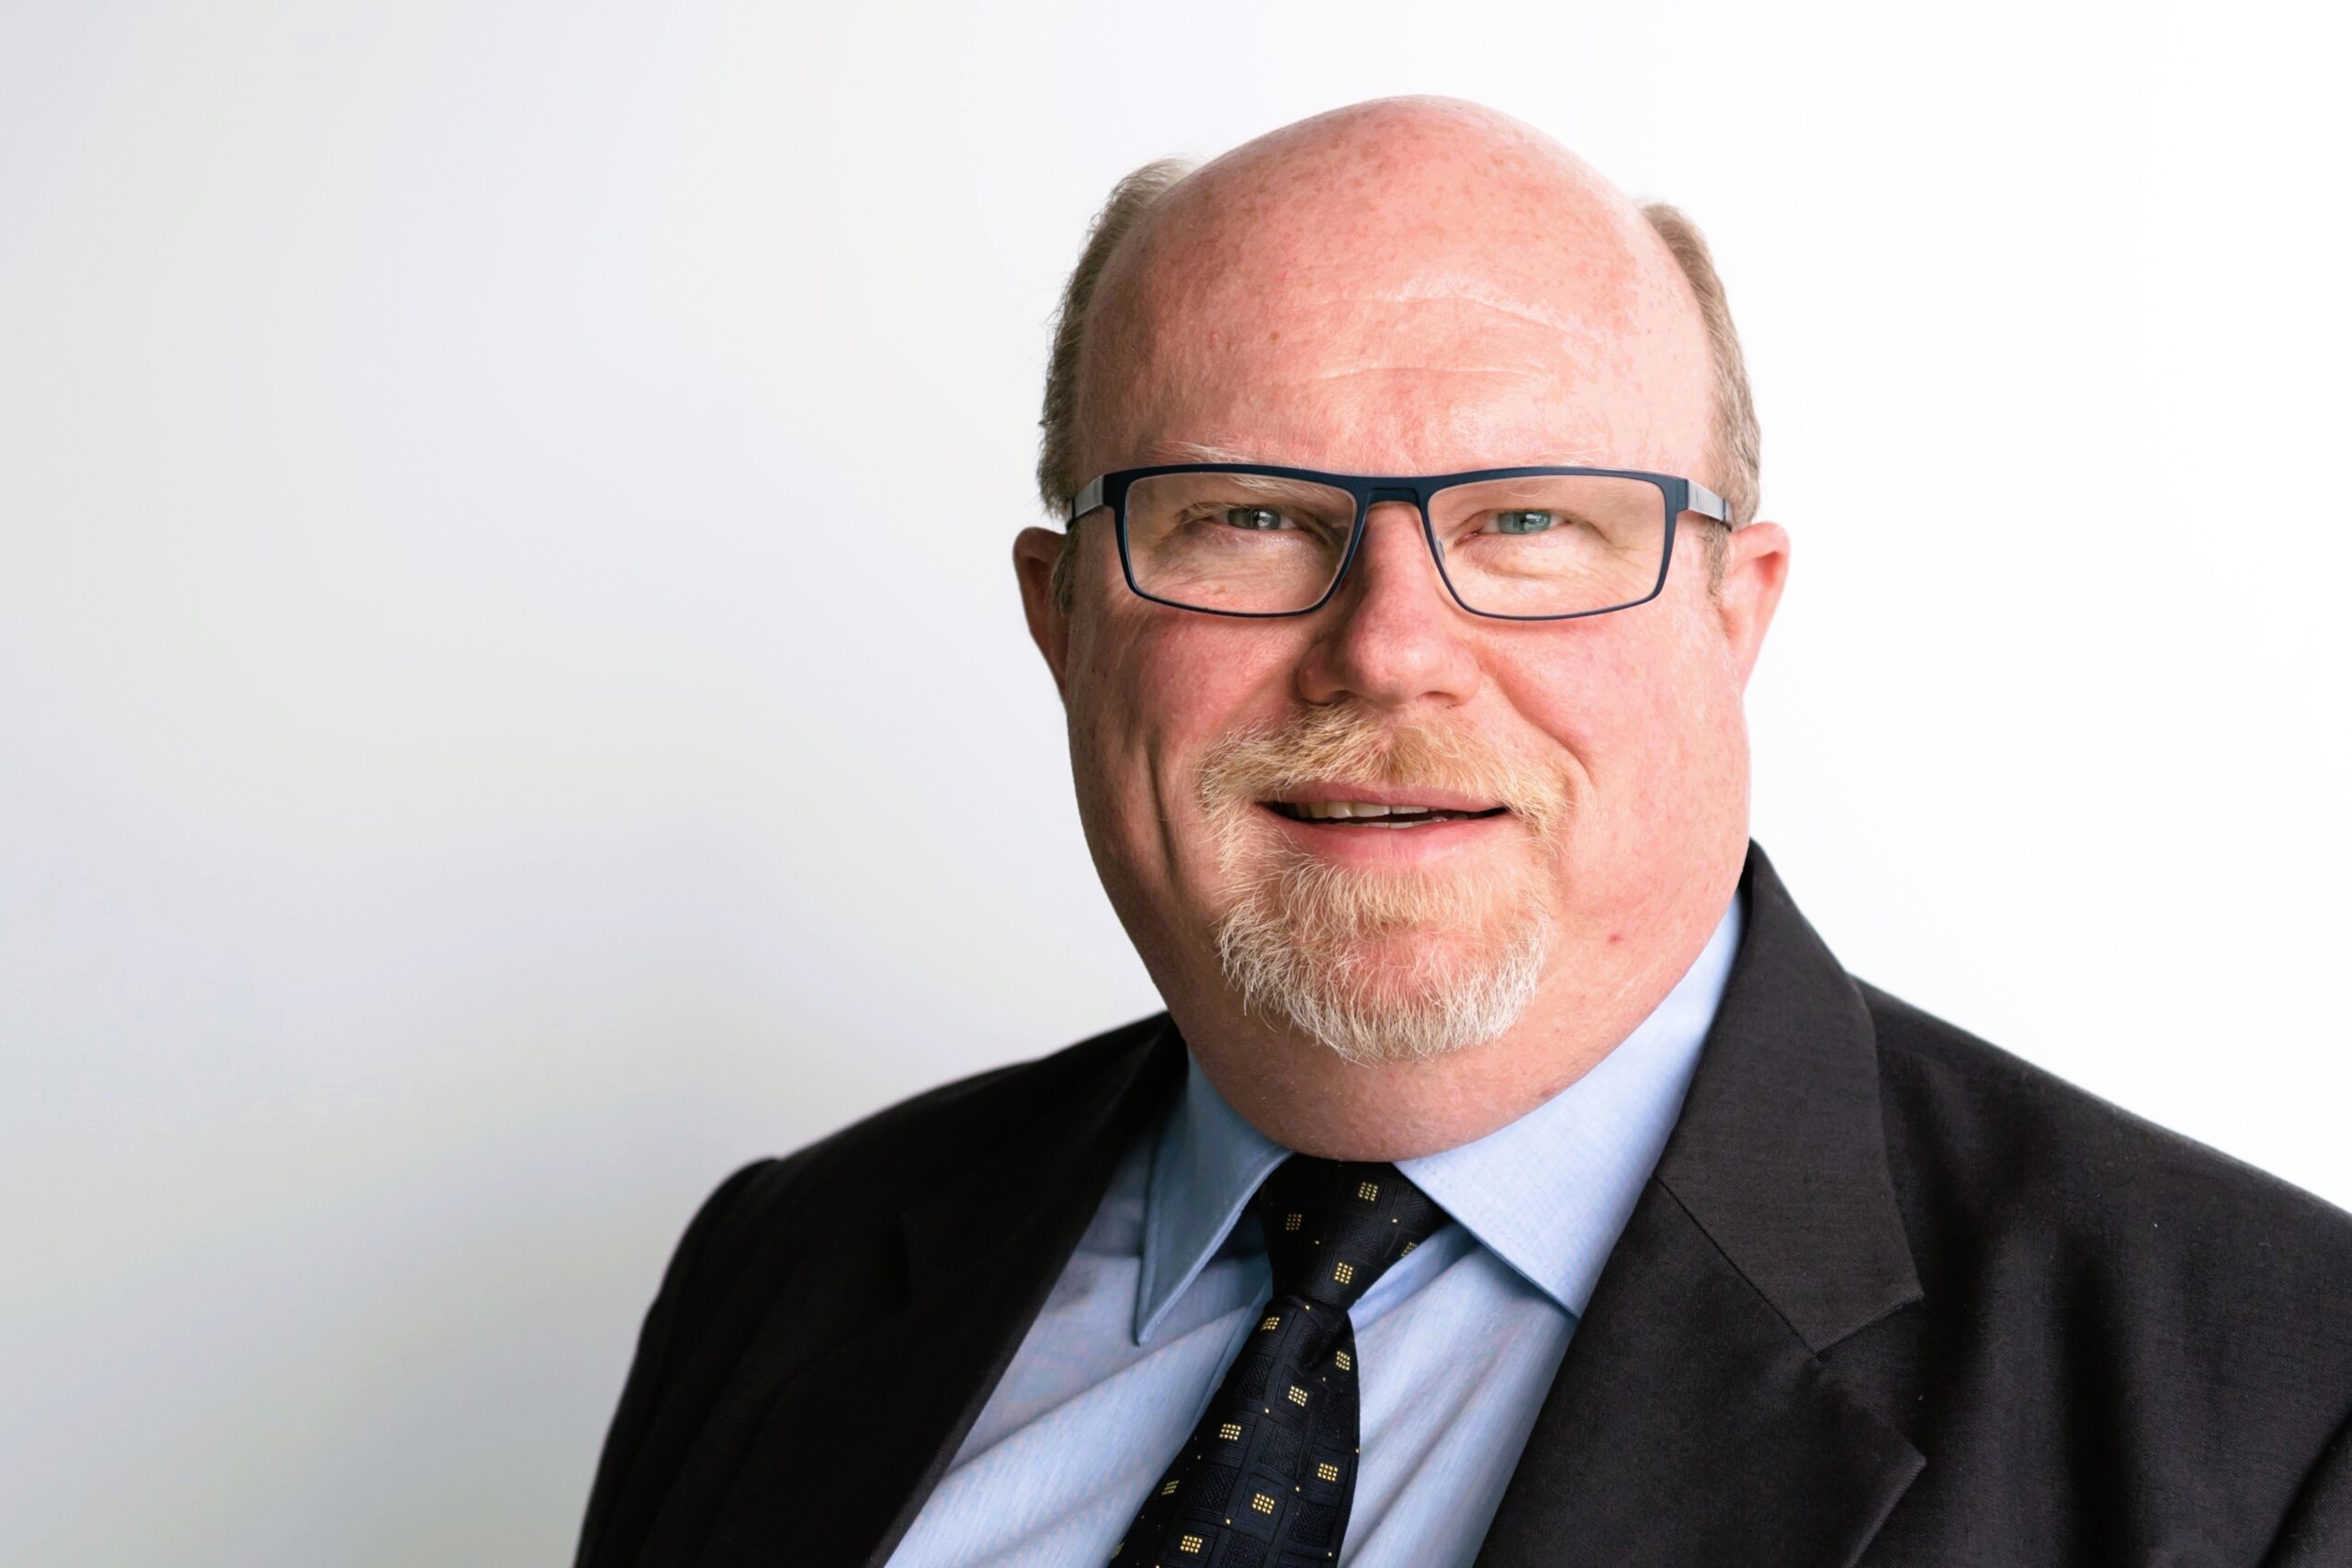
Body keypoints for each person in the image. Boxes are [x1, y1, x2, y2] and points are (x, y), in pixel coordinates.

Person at [571, 97, 2352, 1568]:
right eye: (1246, 515)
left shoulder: (2277, 1410)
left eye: (1529, 522)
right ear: (1064, 621)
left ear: (1733, 612)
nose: (1390, 647)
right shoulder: (786, 1270)